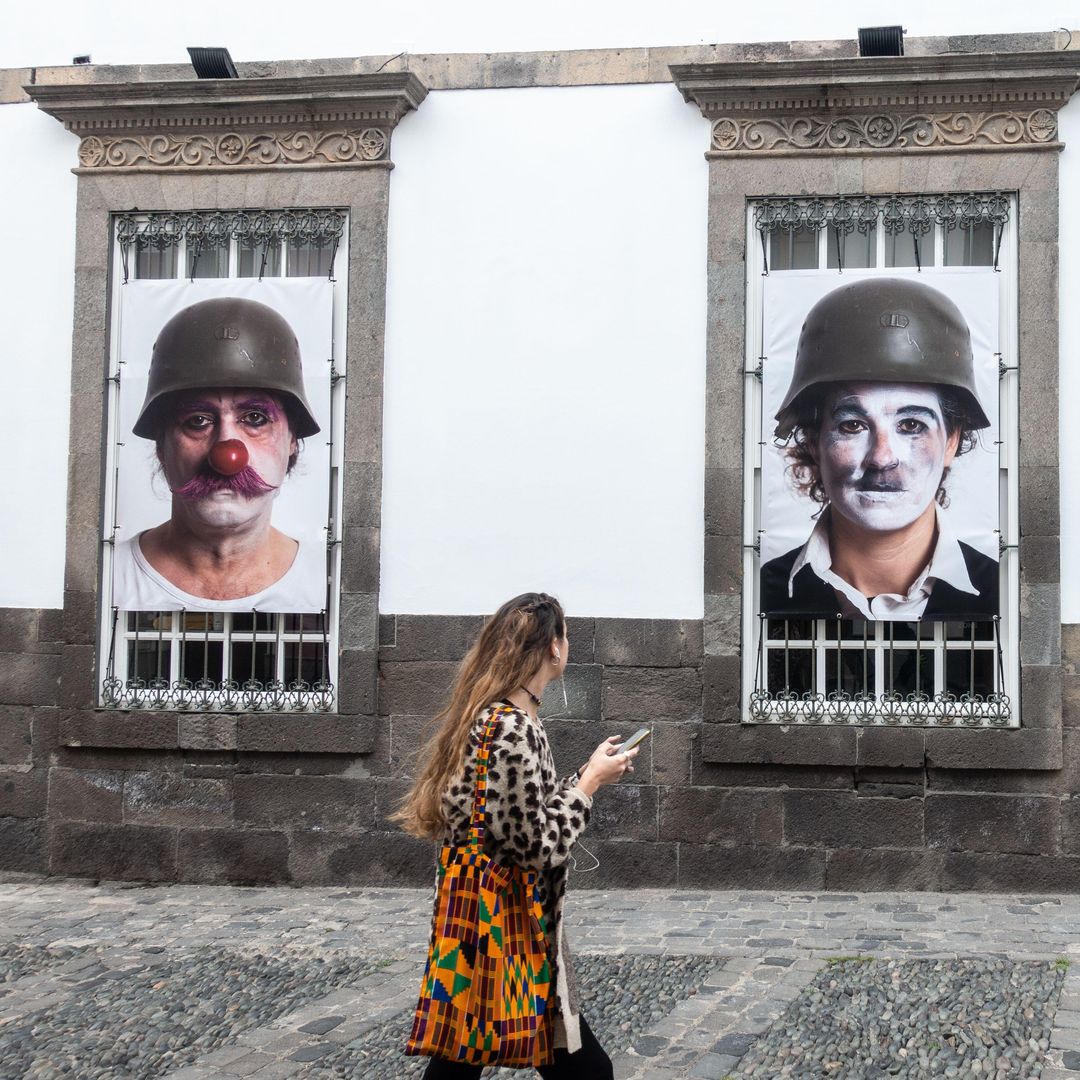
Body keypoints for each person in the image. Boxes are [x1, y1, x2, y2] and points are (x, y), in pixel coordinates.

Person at [394, 592, 636, 1079]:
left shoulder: (497, 717)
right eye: (565, 636)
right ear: (553, 647)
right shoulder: (510, 727)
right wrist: (590, 785)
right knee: (588, 1071)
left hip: (478, 919)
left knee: (460, 1059)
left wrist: (587, 772)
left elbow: (520, 815)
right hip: (508, 919)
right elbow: (534, 847)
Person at [761, 276, 999, 621]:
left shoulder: (1002, 596)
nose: (882, 458)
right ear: (813, 442)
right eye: (852, 426)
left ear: (951, 441)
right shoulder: (763, 595)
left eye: (911, 426)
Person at [112, 297, 325, 612]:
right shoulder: (108, 582)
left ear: (292, 440)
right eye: (198, 421)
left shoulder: (330, 584)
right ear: (161, 445)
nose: (226, 454)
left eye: (255, 419)